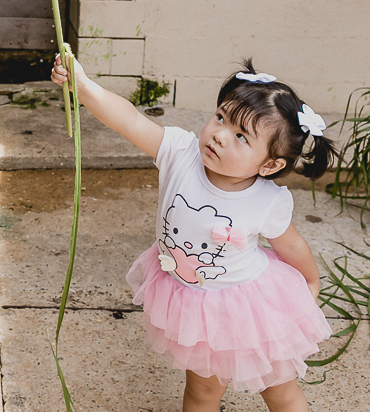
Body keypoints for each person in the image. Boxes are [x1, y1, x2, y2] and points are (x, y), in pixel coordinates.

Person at [52, 53, 335, 412]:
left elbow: (291, 245)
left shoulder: (266, 201)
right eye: (220, 117)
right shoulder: (180, 153)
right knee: (201, 393)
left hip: (250, 310)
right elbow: (130, 120)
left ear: (269, 165)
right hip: (198, 309)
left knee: (279, 390)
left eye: (240, 136)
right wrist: (83, 86)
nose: (219, 135)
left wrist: (310, 281)